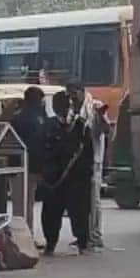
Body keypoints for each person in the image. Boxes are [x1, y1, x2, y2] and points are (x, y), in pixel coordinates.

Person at [41, 91, 92, 254]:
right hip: (54, 179)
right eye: (60, 106)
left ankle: (83, 242)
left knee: (80, 211)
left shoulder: (81, 126)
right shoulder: (49, 126)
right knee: (51, 213)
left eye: (67, 105)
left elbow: (88, 154)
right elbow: (44, 152)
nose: (64, 109)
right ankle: (50, 243)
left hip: (77, 178)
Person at [67, 81, 109, 252]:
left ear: (81, 92)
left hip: (93, 162)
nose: (71, 98)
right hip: (76, 163)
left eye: (73, 93)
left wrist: (100, 116)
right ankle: (82, 235)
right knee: (79, 202)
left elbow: (107, 131)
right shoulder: (71, 109)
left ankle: (95, 236)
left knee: (93, 201)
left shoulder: (95, 107)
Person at [12, 86, 47, 227]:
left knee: (22, 203)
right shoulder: (36, 118)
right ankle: (24, 234)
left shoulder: (17, 118)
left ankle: (25, 234)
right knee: (26, 202)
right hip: (28, 166)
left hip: (20, 165)